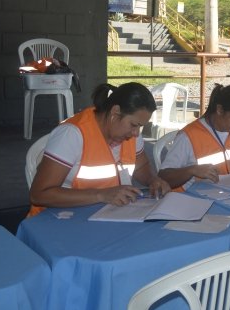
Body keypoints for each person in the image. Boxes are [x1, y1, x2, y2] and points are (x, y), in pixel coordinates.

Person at [28, 82, 171, 217]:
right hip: (59, 217)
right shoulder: (72, 135)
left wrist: (153, 180)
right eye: (134, 125)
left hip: (107, 214)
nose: (136, 133)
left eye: (140, 126)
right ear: (115, 112)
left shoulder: (131, 135)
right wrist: (101, 195)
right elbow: (39, 194)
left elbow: (141, 167)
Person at [158, 84, 230, 189]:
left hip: (228, 196)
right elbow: (163, 177)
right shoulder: (188, 136)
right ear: (219, 110)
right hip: (195, 202)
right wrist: (191, 170)